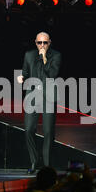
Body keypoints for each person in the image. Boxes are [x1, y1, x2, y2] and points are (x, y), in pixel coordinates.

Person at [17, 32, 62, 173]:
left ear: (49, 42)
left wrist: (44, 58)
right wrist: (22, 76)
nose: (42, 46)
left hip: (48, 96)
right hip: (32, 96)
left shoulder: (56, 56)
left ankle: (47, 166)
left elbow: (51, 74)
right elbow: (25, 71)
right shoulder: (29, 55)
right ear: (35, 42)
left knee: (48, 132)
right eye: (39, 43)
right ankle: (34, 161)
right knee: (29, 129)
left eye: (45, 43)